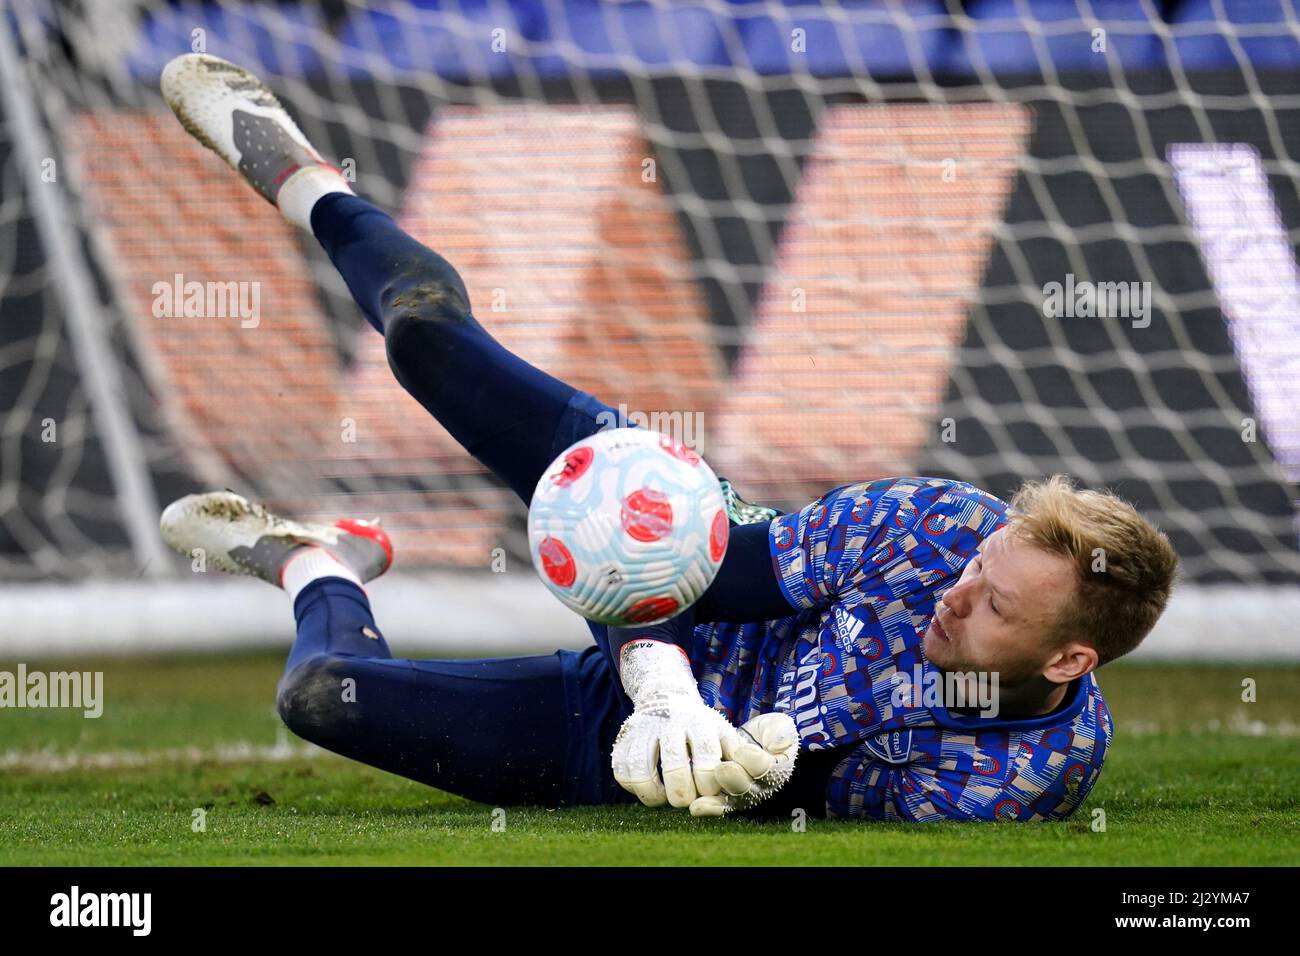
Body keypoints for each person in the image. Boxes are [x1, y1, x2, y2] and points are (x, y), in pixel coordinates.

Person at [157, 54, 1179, 822]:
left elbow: (815, 802)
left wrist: (757, 767)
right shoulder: (933, 526)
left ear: (1070, 656)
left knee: (322, 698)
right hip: (661, 526)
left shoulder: (1021, 777)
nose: (960, 586)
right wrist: (667, 683)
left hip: (618, 732)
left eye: (997, 603)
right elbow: (696, 567)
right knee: (425, 340)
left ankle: (315, 567)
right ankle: (306, 179)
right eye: (983, 564)